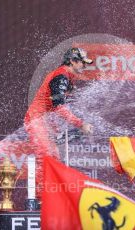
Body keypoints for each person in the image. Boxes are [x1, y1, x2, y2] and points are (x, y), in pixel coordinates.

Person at [24, 47, 94, 199]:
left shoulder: (68, 77)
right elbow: (59, 107)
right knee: (45, 157)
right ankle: (42, 201)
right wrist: (80, 124)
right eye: (82, 63)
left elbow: (54, 108)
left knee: (53, 158)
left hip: (45, 122)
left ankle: (49, 198)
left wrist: (56, 130)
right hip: (36, 119)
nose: (84, 66)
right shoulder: (61, 75)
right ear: (72, 61)